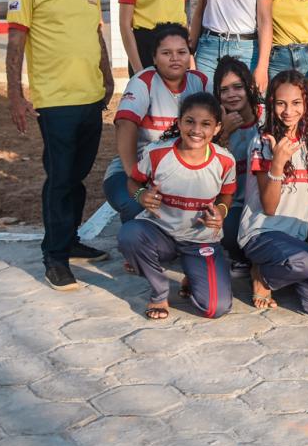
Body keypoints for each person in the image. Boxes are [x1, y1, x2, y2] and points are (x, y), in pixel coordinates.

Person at [5, 0, 115, 292]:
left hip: (91, 98)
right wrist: (15, 95)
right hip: (54, 102)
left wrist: (107, 73)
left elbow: (95, 33)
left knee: (78, 176)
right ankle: (54, 258)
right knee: (60, 179)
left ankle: (70, 240)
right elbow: (16, 42)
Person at [116, 93, 236, 320]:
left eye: (206, 124)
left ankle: (193, 274)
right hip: (161, 233)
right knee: (129, 235)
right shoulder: (157, 153)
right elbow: (133, 181)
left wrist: (220, 212)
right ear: (179, 122)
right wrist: (141, 196)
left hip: (200, 239)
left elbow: (227, 195)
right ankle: (160, 291)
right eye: (190, 121)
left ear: (217, 128)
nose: (196, 130)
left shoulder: (225, 161)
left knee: (215, 308)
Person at [243, 71, 308, 315]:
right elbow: (269, 207)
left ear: (306, 104)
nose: (288, 111)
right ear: (271, 103)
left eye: (296, 103)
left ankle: (288, 272)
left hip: (298, 234)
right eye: (280, 103)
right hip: (264, 232)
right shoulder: (262, 141)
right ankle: (262, 273)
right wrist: (277, 164)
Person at [103, 23, 209, 233]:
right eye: (166, 53)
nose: (175, 58)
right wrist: (135, 176)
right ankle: (135, 244)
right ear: (153, 57)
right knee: (137, 203)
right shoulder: (144, 81)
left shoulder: (200, 82)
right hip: (134, 174)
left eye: (181, 52)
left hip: (180, 174)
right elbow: (125, 124)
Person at [213, 56, 261, 270]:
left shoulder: (267, 116)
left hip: (264, 202)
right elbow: (209, 175)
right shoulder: (214, 126)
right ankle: (241, 257)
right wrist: (222, 135)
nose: (231, 95)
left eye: (237, 87)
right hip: (235, 204)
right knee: (229, 233)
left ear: (250, 86)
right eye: (224, 90)